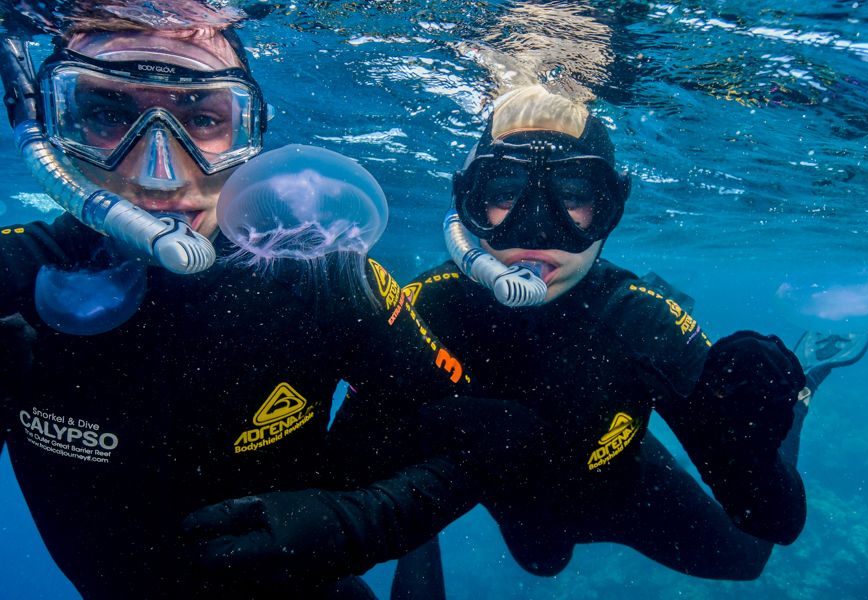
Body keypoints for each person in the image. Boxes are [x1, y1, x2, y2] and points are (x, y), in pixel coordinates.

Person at [0, 9, 508, 598]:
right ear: (51, 129)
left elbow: (486, 434)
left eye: (204, 118)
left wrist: (364, 524)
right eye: (108, 114)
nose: (159, 171)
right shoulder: (14, 278)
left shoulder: (322, 275)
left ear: (251, 137)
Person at [331, 84, 868, 597]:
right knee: (542, 562)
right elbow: (339, 480)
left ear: (609, 210)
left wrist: (751, 446)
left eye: (573, 196)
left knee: (746, 560)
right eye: (503, 194)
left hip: (618, 482)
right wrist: (426, 432)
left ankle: (804, 383)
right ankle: (423, 533)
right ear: (469, 206)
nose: (536, 229)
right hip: (513, 501)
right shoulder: (429, 308)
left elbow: (777, 522)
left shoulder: (639, 319)